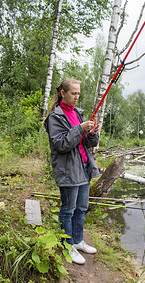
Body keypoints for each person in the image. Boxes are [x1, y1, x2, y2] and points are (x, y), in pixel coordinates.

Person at [45, 78, 100, 264]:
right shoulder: (55, 117)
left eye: (78, 94)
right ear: (62, 93)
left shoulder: (78, 113)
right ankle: (67, 246)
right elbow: (61, 144)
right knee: (68, 209)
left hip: (84, 168)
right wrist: (80, 129)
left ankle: (77, 241)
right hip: (68, 170)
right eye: (73, 93)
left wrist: (91, 134)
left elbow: (88, 143)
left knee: (81, 208)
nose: (77, 97)